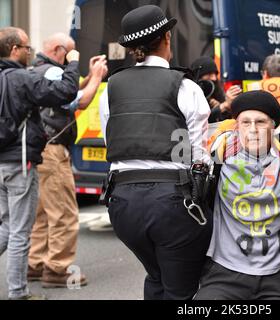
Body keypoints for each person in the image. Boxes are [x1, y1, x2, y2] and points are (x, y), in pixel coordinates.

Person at [99, 5, 212, 300]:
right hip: (171, 202)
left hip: (122, 203)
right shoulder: (185, 86)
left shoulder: (111, 87)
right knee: (180, 289)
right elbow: (198, 156)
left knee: (157, 276)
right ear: (166, 37)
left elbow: (112, 139)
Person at [195, 91, 280, 300]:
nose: (253, 129)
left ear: (274, 126)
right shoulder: (219, 157)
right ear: (236, 127)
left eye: (261, 122)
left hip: (277, 276)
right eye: (245, 122)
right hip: (224, 273)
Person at [0, 27, 80, 300]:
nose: (29, 53)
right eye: (26, 48)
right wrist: (75, 63)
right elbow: (66, 93)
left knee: (7, 227)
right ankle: (18, 293)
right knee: (21, 231)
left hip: (1, 163)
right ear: (13, 50)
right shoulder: (21, 79)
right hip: (19, 163)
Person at [27, 33, 108, 288]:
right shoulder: (53, 72)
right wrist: (96, 78)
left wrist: (88, 76)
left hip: (38, 151)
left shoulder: (38, 71)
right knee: (63, 211)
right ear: (61, 50)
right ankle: (58, 269)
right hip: (53, 152)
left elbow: (68, 90)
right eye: (71, 53)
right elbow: (80, 100)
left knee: (41, 212)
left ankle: (35, 262)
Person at [191, 56, 241, 123]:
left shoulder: (216, 94)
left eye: (215, 74)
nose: (214, 78)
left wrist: (227, 107)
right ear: (197, 76)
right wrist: (223, 106)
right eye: (209, 74)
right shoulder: (189, 97)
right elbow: (197, 120)